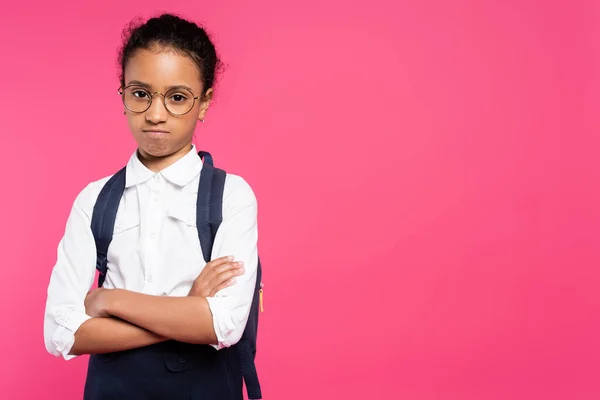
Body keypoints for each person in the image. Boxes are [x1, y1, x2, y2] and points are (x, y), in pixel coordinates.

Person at [43, 13, 259, 400]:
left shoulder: (232, 196)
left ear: (204, 102)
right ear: (123, 93)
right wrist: (188, 309)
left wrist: (110, 300)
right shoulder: (94, 199)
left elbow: (223, 325)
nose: (155, 114)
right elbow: (61, 334)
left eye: (177, 98)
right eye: (140, 93)